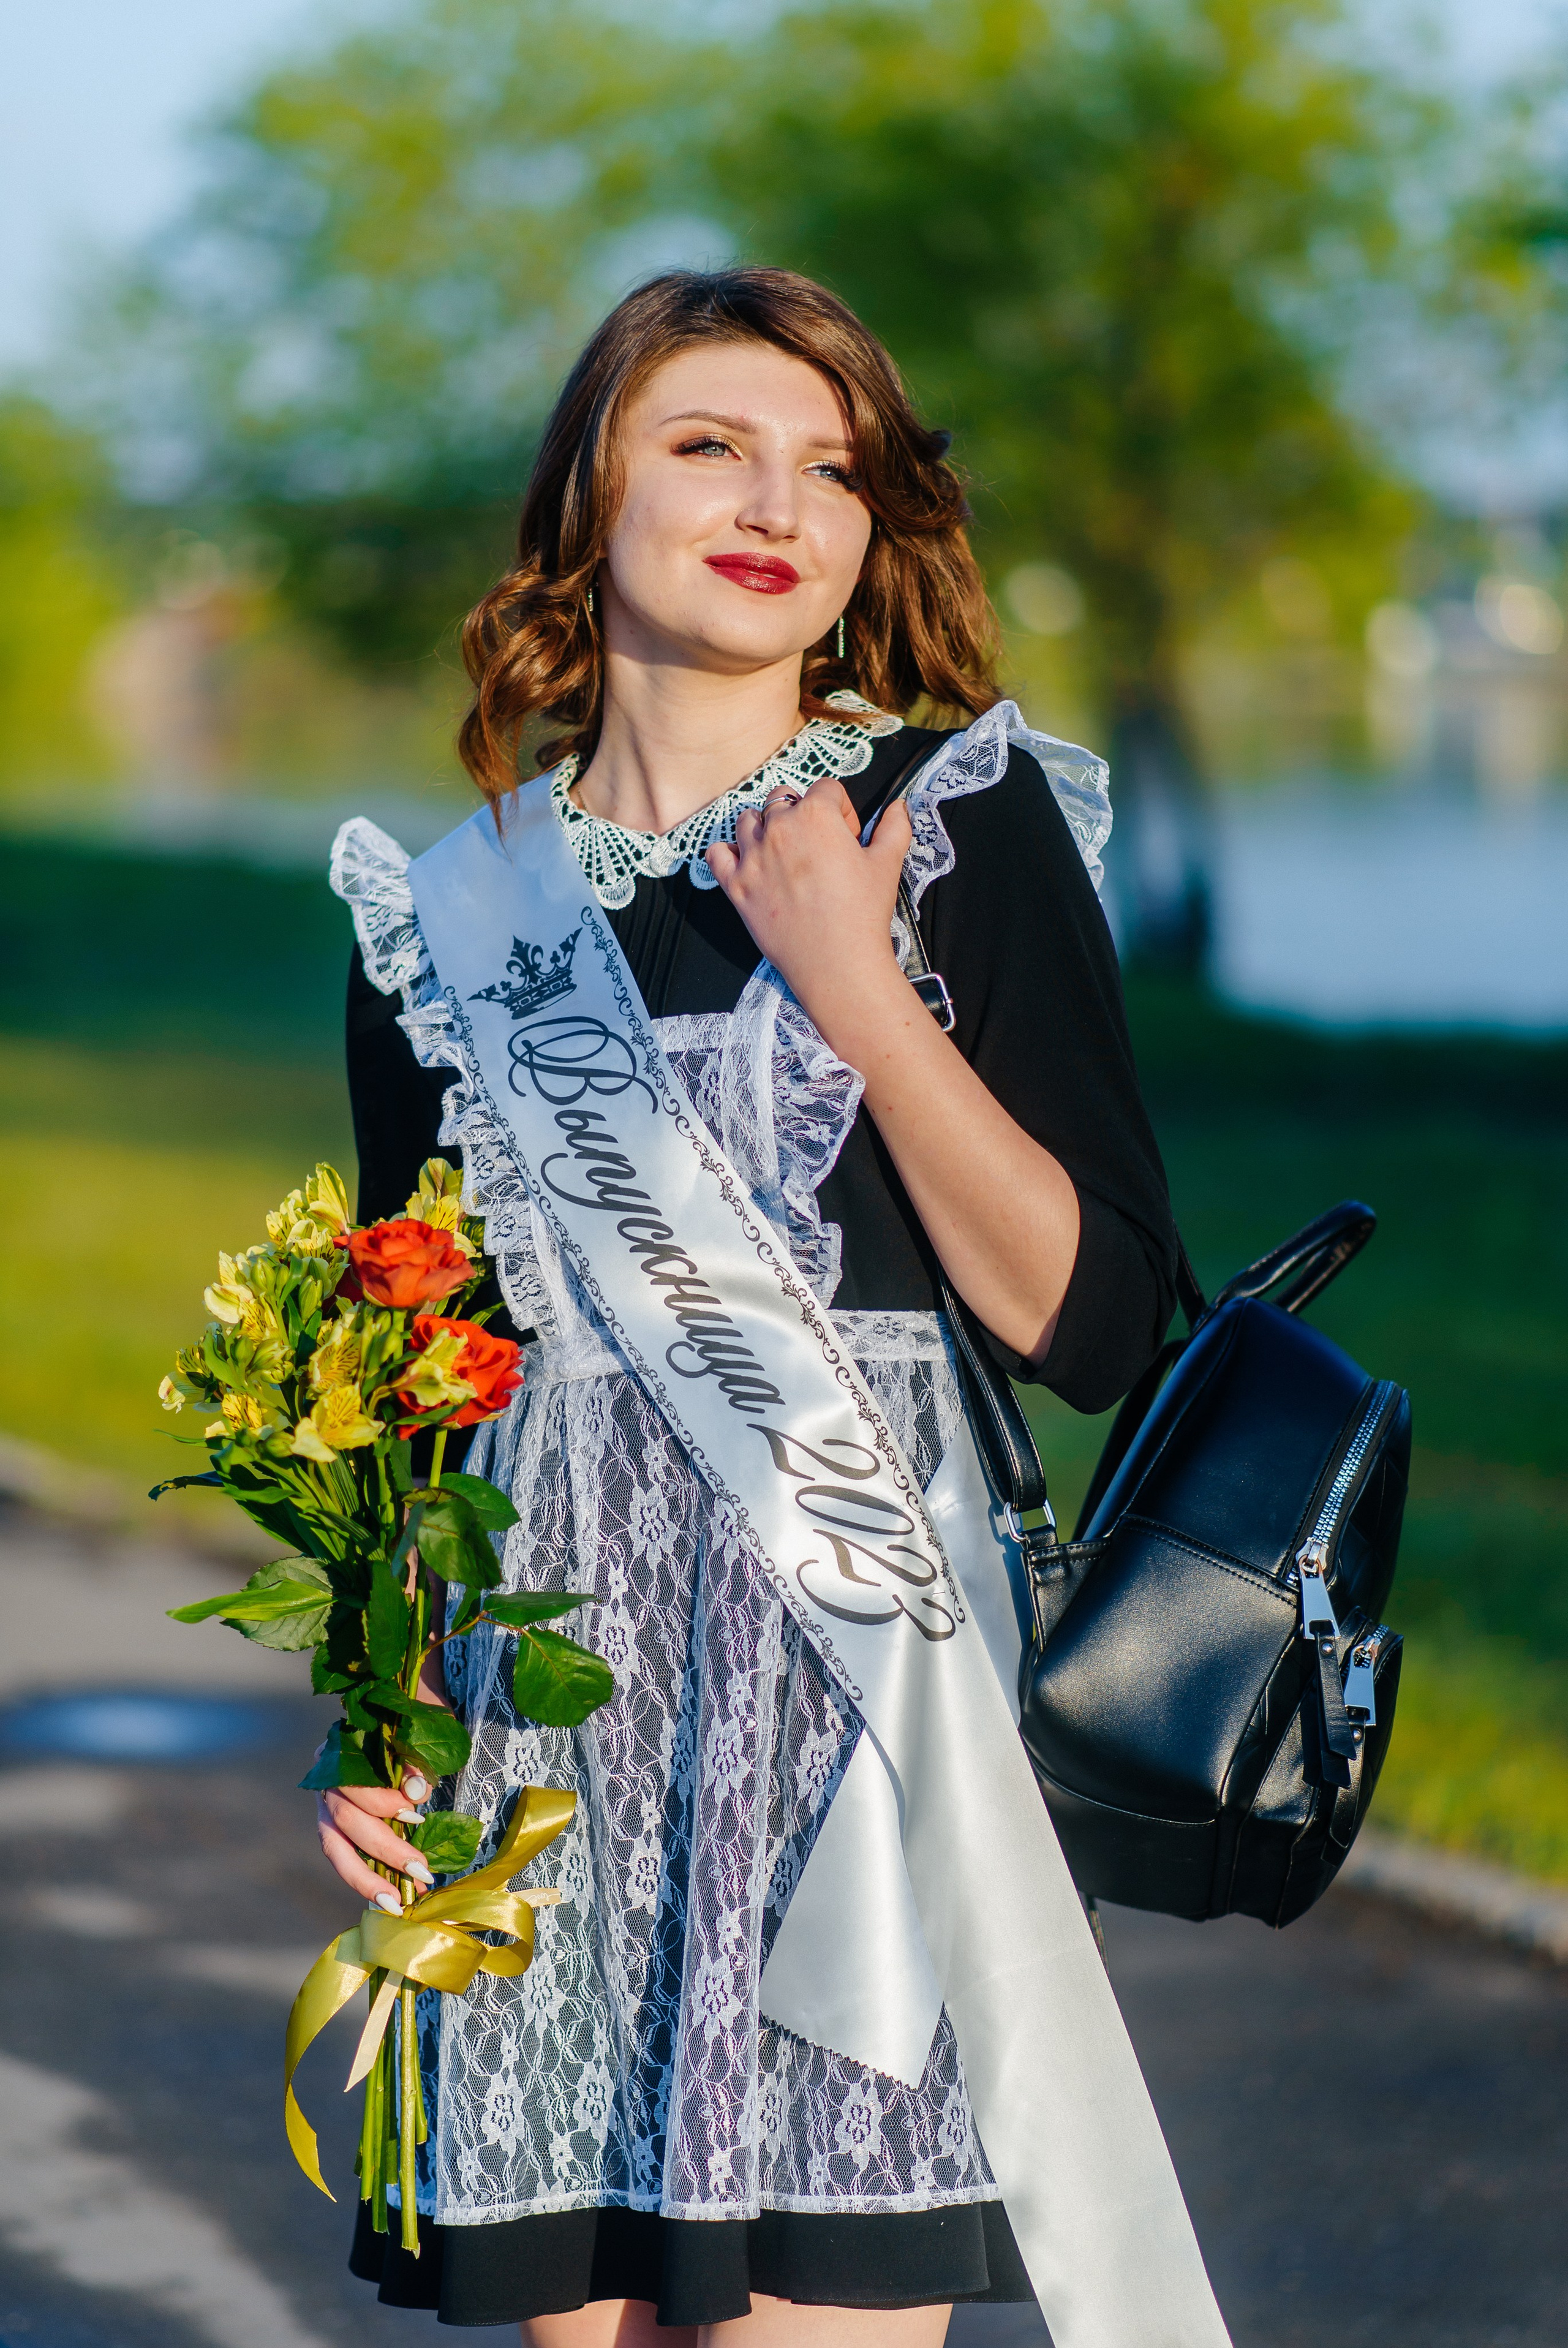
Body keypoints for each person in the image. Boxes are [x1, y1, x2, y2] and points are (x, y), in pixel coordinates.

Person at [319, 267, 1226, 2348]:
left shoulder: (953, 827)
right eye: (709, 443)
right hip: (550, 1743)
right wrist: (366, 1721)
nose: (775, 501)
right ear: (590, 495)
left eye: (830, 466)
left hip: (859, 1734)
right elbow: (400, 1381)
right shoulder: (450, 923)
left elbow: (1089, 1326)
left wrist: (854, 983)